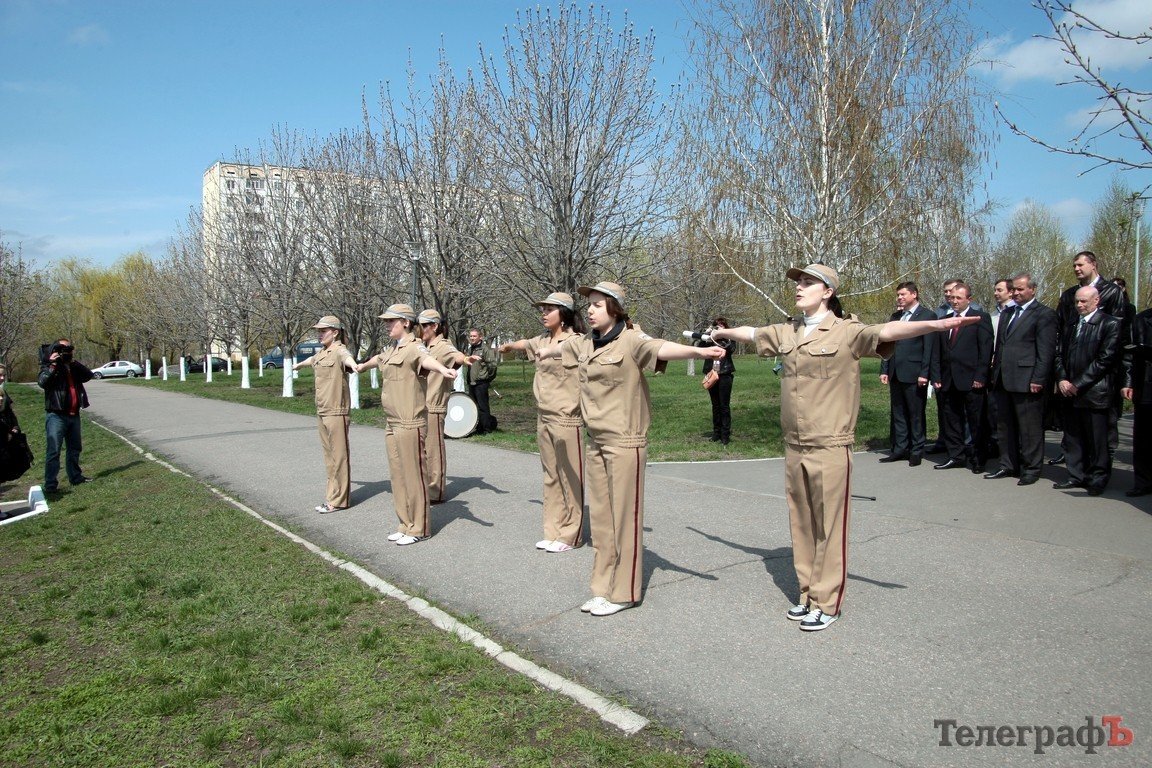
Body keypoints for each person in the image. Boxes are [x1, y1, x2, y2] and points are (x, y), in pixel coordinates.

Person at [711, 264, 977, 631]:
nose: (799, 288)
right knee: (801, 523)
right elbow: (752, 332)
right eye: (798, 282)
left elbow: (888, 330)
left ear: (828, 292)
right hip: (794, 444)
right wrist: (721, 331)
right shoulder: (787, 330)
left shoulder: (846, 331)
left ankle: (828, 601)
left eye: (808, 283)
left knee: (829, 526)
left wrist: (935, 325)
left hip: (830, 443)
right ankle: (807, 593)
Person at [536, 281, 726, 617]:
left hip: (625, 441)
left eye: (597, 304)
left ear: (615, 307)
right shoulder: (585, 343)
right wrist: (540, 350)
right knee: (604, 520)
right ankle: (602, 587)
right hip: (595, 441)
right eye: (589, 305)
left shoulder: (631, 339)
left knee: (624, 519)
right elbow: (558, 351)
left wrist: (698, 352)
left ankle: (624, 591)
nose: (590, 310)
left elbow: (661, 348)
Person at [354, 304, 457, 545]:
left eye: (392, 321)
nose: (387, 325)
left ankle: (419, 527)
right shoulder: (392, 349)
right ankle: (405, 523)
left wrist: (443, 369)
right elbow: (377, 359)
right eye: (386, 322)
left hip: (411, 421)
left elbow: (426, 359)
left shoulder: (414, 347)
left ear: (406, 323)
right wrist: (360, 366)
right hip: (392, 421)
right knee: (398, 477)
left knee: (414, 476)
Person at [498, 292, 586, 553]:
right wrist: (509, 346)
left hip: (567, 418)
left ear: (564, 313)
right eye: (543, 309)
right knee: (551, 476)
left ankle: (571, 535)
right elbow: (526, 342)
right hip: (544, 416)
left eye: (550, 309)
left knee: (571, 477)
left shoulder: (577, 341)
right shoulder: (542, 339)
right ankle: (553, 530)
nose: (544, 313)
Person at [986, 273, 1058, 486]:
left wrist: (1039, 378)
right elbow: (1000, 346)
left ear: (1032, 289)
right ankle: (1008, 465)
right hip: (1003, 378)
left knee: (1029, 428)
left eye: (1020, 289)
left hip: (1027, 380)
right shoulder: (1008, 313)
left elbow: (1046, 352)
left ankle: (1031, 468)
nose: (1016, 293)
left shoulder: (1044, 314)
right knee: (1005, 425)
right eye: (1014, 289)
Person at [1053, 286, 1122, 496]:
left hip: (1094, 393)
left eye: (1084, 301)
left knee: (1097, 439)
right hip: (1069, 391)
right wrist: (1063, 379)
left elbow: (1105, 359)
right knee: (1073, 437)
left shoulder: (1109, 324)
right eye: (1077, 302)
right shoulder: (1072, 324)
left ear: (1096, 300)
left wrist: (1078, 384)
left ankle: (1097, 478)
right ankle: (1076, 475)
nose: (1079, 305)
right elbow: (1059, 353)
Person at [291, 315, 359, 514]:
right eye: (318, 331)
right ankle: (331, 495)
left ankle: (339, 499)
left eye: (324, 331)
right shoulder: (322, 353)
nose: (320, 334)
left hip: (336, 411)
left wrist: (354, 364)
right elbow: (312, 360)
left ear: (335, 332)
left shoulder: (339, 351)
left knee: (339, 456)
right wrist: (298, 365)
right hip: (322, 410)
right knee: (329, 457)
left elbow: (346, 357)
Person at [932, 282, 993, 473]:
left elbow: (986, 349)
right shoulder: (946, 319)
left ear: (969, 299)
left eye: (959, 298)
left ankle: (978, 458)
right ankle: (955, 456)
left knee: (976, 421)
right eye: (952, 298)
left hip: (971, 379)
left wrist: (981, 376)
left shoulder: (979, 318)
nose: (954, 301)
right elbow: (938, 351)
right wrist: (937, 375)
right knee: (951, 420)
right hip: (948, 379)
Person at [878, 281, 939, 466]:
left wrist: (924, 373)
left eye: (903, 294)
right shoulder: (896, 316)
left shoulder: (927, 315)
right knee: (898, 413)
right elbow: (887, 344)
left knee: (915, 413)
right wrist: (885, 369)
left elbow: (929, 348)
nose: (899, 298)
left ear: (914, 294)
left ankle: (916, 450)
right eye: (898, 295)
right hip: (896, 371)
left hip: (914, 373)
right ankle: (899, 449)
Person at [418, 309, 467, 505]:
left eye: (423, 326)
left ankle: (436, 491)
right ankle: (426, 486)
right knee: (423, 451)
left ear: (435, 326)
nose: (419, 330)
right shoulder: (423, 346)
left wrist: (466, 359)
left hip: (434, 404)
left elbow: (457, 356)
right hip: (420, 404)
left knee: (434, 449)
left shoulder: (443, 346)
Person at [38, 338, 94, 492]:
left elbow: (88, 375)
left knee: (75, 448)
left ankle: (75, 477)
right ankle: (50, 484)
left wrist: (72, 362)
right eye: (63, 348)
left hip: (73, 414)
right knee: (54, 450)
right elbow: (42, 383)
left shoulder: (72, 366)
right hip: (56, 415)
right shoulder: (49, 366)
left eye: (69, 348)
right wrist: (53, 365)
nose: (66, 351)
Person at [1122, 305, 1152, 497]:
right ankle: (1143, 482)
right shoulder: (1142, 319)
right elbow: (1129, 354)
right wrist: (1128, 382)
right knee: (1143, 437)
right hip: (1146, 384)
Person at [692, 317, 736, 445]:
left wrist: (722, 335)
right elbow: (700, 348)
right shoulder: (709, 338)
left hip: (725, 374)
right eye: (716, 325)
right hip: (712, 374)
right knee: (715, 405)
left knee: (724, 406)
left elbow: (730, 349)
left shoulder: (729, 338)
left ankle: (725, 434)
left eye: (721, 325)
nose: (718, 327)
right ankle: (716, 432)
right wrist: (707, 333)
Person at [465, 328, 499, 434]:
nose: (472, 338)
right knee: (474, 406)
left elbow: (492, 365)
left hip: (481, 383)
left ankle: (486, 429)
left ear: (480, 337)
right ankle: (477, 427)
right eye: (471, 336)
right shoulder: (470, 349)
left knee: (483, 406)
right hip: (472, 382)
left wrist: (488, 378)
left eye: (474, 336)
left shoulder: (485, 349)